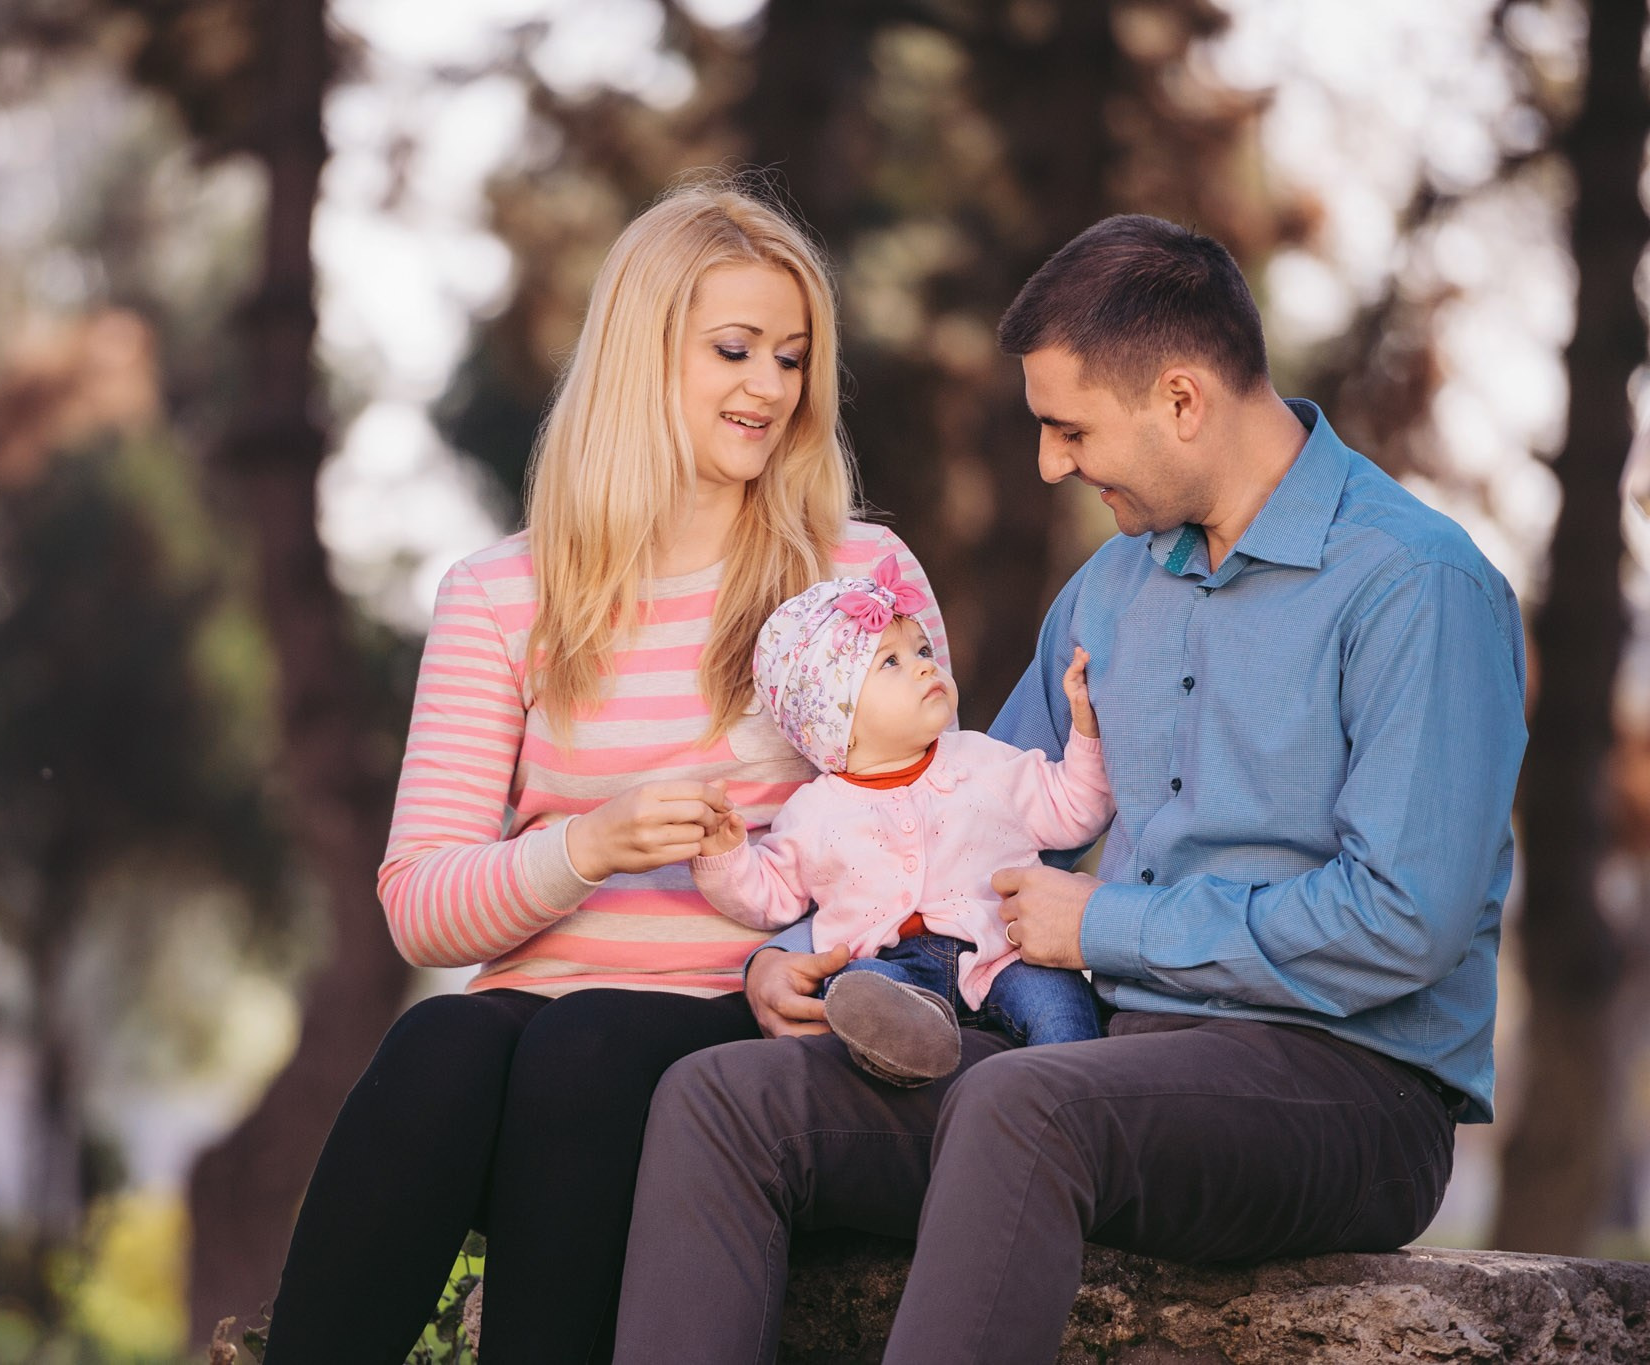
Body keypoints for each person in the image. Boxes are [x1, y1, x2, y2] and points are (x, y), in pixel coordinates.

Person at [612, 213, 1527, 1364]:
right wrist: (797, 940)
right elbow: (965, 827)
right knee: (721, 1101)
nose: (1050, 463)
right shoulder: (1105, 589)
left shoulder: (1413, 588)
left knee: (1019, 1108)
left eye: (1068, 429)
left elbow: (1405, 921)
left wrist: (1108, 923)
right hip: (1093, 1059)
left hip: (1347, 1088)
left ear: (1181, 401)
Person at [261, 179, 949, 1364]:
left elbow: (933, 831)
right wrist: (587, 846)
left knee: (581, 1048)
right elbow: (420, 903)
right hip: (531, 1041)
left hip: (751, 1019)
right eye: (732, 350)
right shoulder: (501, 595)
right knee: (441, 1044)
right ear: (640, 356)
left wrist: (809, 964)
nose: (769, 389)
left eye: (789, 358)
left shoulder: (859, 573)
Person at [690, 556, 1111, 1085]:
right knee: (857, 985)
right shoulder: (815, 812)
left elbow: (1076, 809)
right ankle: (908, 1060)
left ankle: (1074, 1098)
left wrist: (1085, 735)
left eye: (922, 650)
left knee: (1060, 1002)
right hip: (893, 969)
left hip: (1003, 954)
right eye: (890, 662)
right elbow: (770, 894)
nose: (924, 666)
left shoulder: (984, 762)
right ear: (833, 718)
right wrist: (723, 855)